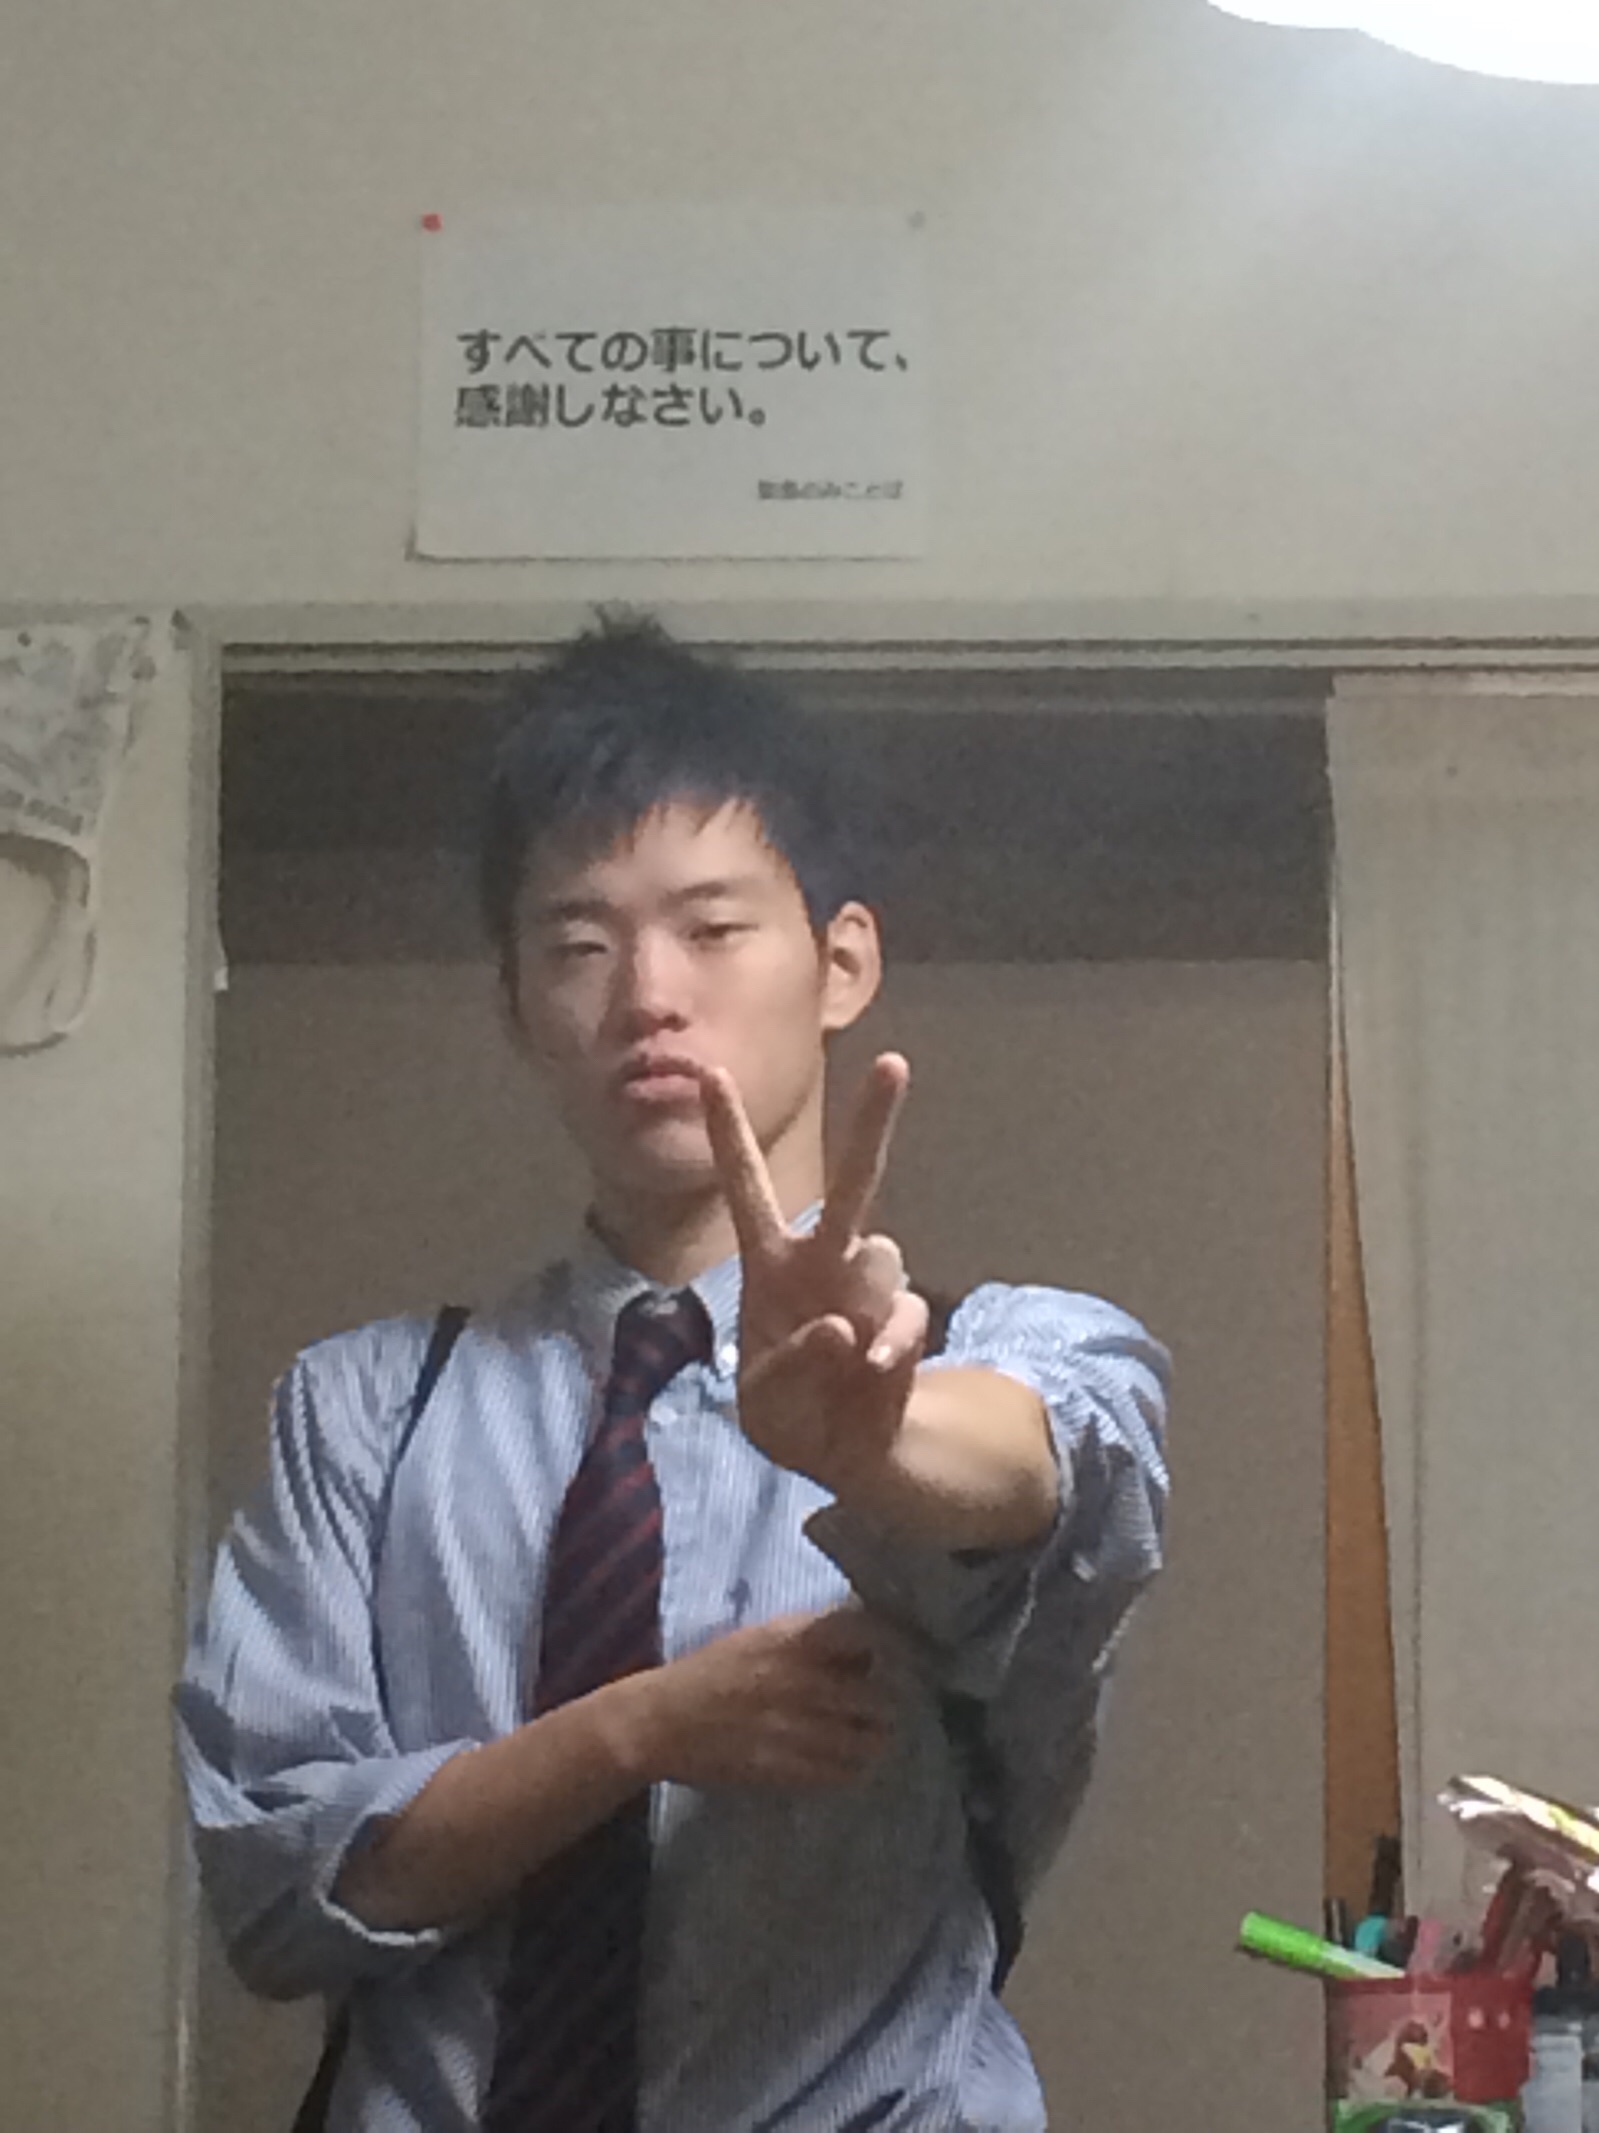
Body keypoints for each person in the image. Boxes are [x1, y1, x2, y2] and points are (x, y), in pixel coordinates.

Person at [177, 617, 1171, 2133]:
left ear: (842, 961)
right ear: (516, 1002)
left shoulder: (998, 1348)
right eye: (579, 944)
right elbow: (276, 1890)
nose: (647, 992)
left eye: (711, 929)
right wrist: (632, 1731)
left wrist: (873, 1436)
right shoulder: (363, 1410)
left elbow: (1043, 1468)